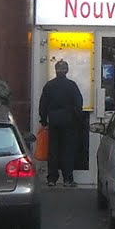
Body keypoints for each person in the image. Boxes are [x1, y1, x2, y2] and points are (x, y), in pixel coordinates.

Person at [37, 59, 84, 187]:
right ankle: (68, 179)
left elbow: (43, 105)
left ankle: (52, 179)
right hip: (69, 121)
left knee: (53, 150)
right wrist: (78, 119)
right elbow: (78, 103)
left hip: (54, 121)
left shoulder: (49, 86)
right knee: (68, 150)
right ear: (66, 71)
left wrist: (44, 120)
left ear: (56, 70)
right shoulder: (71, 85)